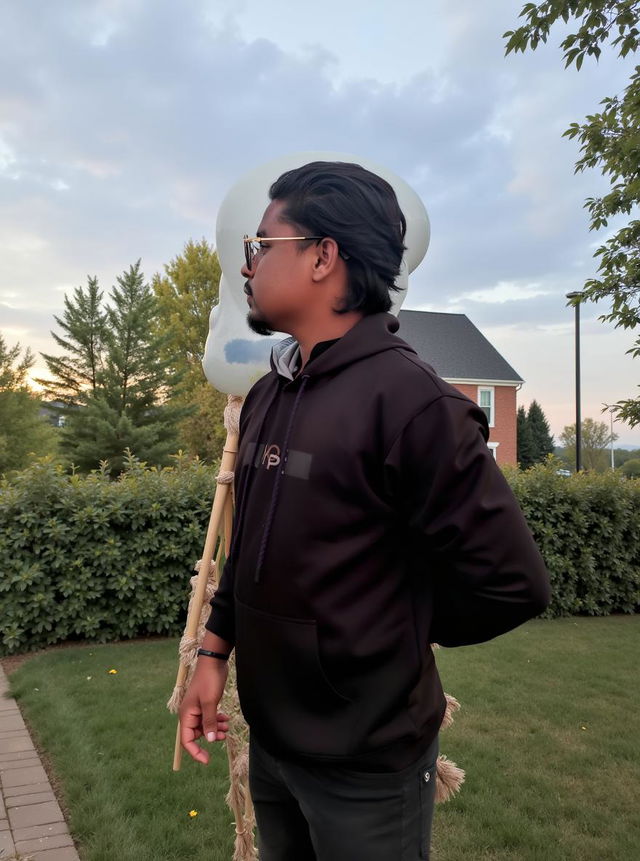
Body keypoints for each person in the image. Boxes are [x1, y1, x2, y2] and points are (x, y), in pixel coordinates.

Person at [179, 161, 552, 860]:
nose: (247, 265)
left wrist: (382, 631)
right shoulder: (268, 396)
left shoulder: (414, 405)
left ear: (324, 256)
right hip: (274, 749)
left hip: (369, 768)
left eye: (263, 245)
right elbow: (248, 556)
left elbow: (513, 583)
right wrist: (212, 652)